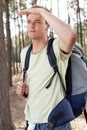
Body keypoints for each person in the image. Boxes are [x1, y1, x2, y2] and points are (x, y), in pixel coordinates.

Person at [16, 5, 76, 130]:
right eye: (29, 22)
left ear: (47, 25)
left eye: (37, 22)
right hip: (31, 122)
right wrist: (23, 91)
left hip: (56, 123)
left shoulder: (56, 47)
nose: (32, 25)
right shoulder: (24, 53)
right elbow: (31, 86)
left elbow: (70, 36)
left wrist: (41, 11)